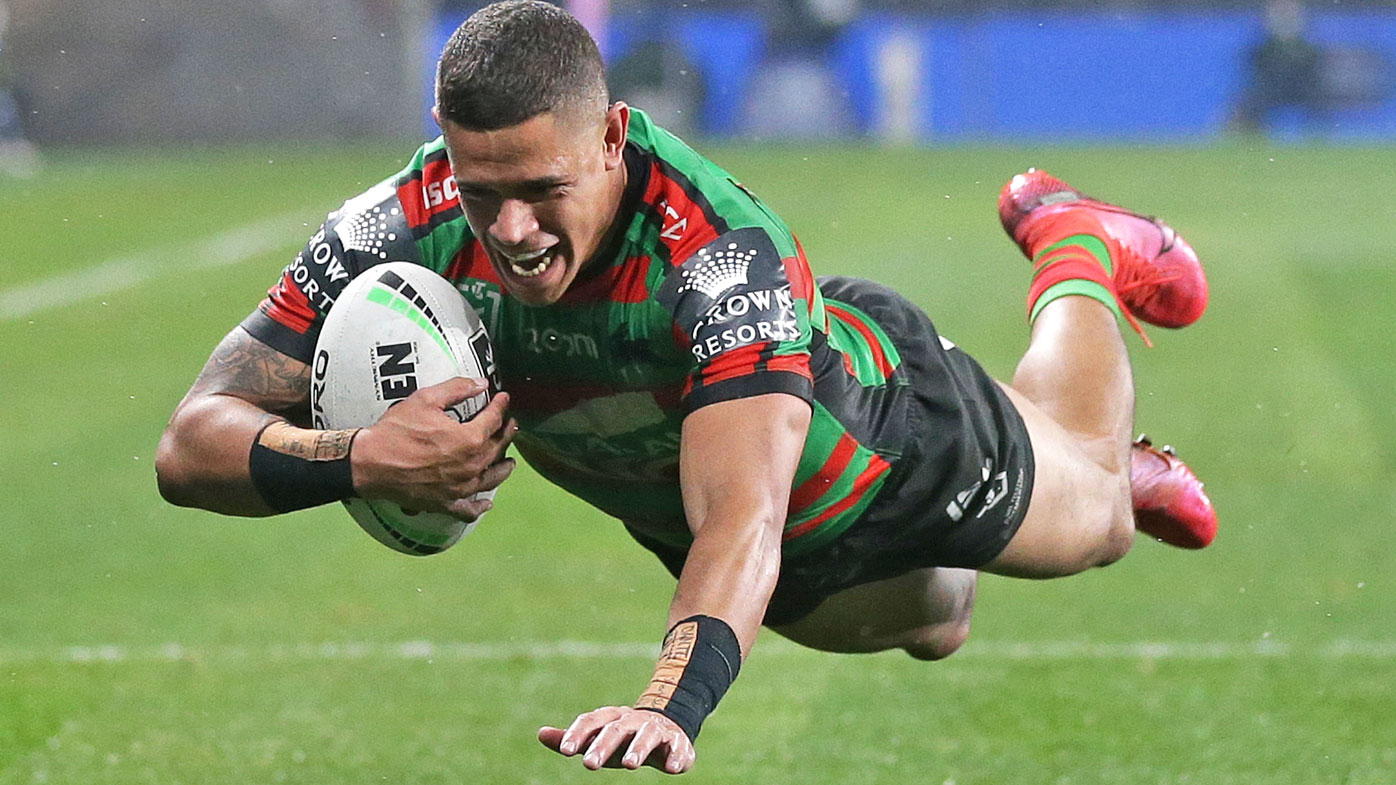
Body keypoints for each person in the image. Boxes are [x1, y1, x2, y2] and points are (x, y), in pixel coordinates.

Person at [155, 0, 1217, 774]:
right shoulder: (398, 220)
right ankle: (1060, 452)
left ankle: (1075, 247)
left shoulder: (716, 253)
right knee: (940, 620)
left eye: (542, 190)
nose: (512, 232)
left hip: (882, 441)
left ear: (612, 138)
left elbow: (744, 515)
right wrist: (362, 455)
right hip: (734, 538)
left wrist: (668, 705)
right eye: (484, 195)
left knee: (1100, 518)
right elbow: (191, 443)